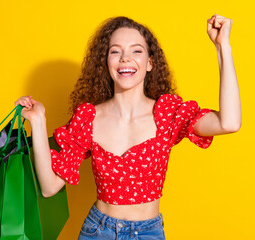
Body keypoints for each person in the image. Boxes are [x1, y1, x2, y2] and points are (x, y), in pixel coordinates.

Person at [15, 14, 241, 240]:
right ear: (106, 62)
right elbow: (48, 187)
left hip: (148, 233)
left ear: (150, 63)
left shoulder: (168, 114)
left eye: (136, 50)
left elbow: (229, 123)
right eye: (115, 51)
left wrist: (223, 46)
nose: (125, 58)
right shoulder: (88, 118)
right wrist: (38, 121)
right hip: (97, 232)